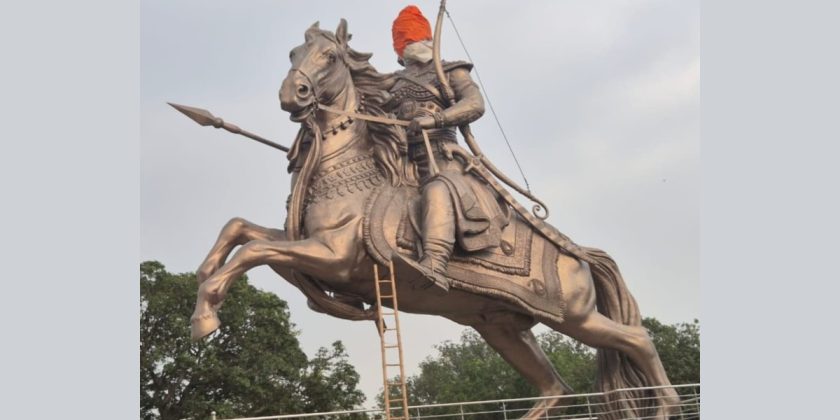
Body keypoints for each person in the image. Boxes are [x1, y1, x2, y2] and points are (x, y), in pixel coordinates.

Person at [387, 5, 510, 294]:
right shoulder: (392, 82)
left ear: (426, 39)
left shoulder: (451, 71)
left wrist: (435, 120)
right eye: (404, 42)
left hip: (443, 157)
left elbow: (474, 104)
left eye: (411, 39)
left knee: (437, 189)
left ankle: (435, 262)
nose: (408, 46)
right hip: (401, 160)